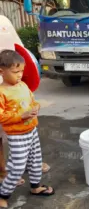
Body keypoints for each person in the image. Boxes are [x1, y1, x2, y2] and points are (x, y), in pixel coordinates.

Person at [0, 50, 54, 208]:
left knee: (35, 160)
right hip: (17, 135)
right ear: (1, 71)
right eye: (16, 71)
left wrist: (35, 107)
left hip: (32, 130)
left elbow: (31, 101)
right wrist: (21, 116)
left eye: (22, 71)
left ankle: (36, 187)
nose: (19, 75)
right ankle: (3, 194)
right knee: (17, 166)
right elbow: (1, 115)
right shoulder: (1, 92)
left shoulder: (23, 85)